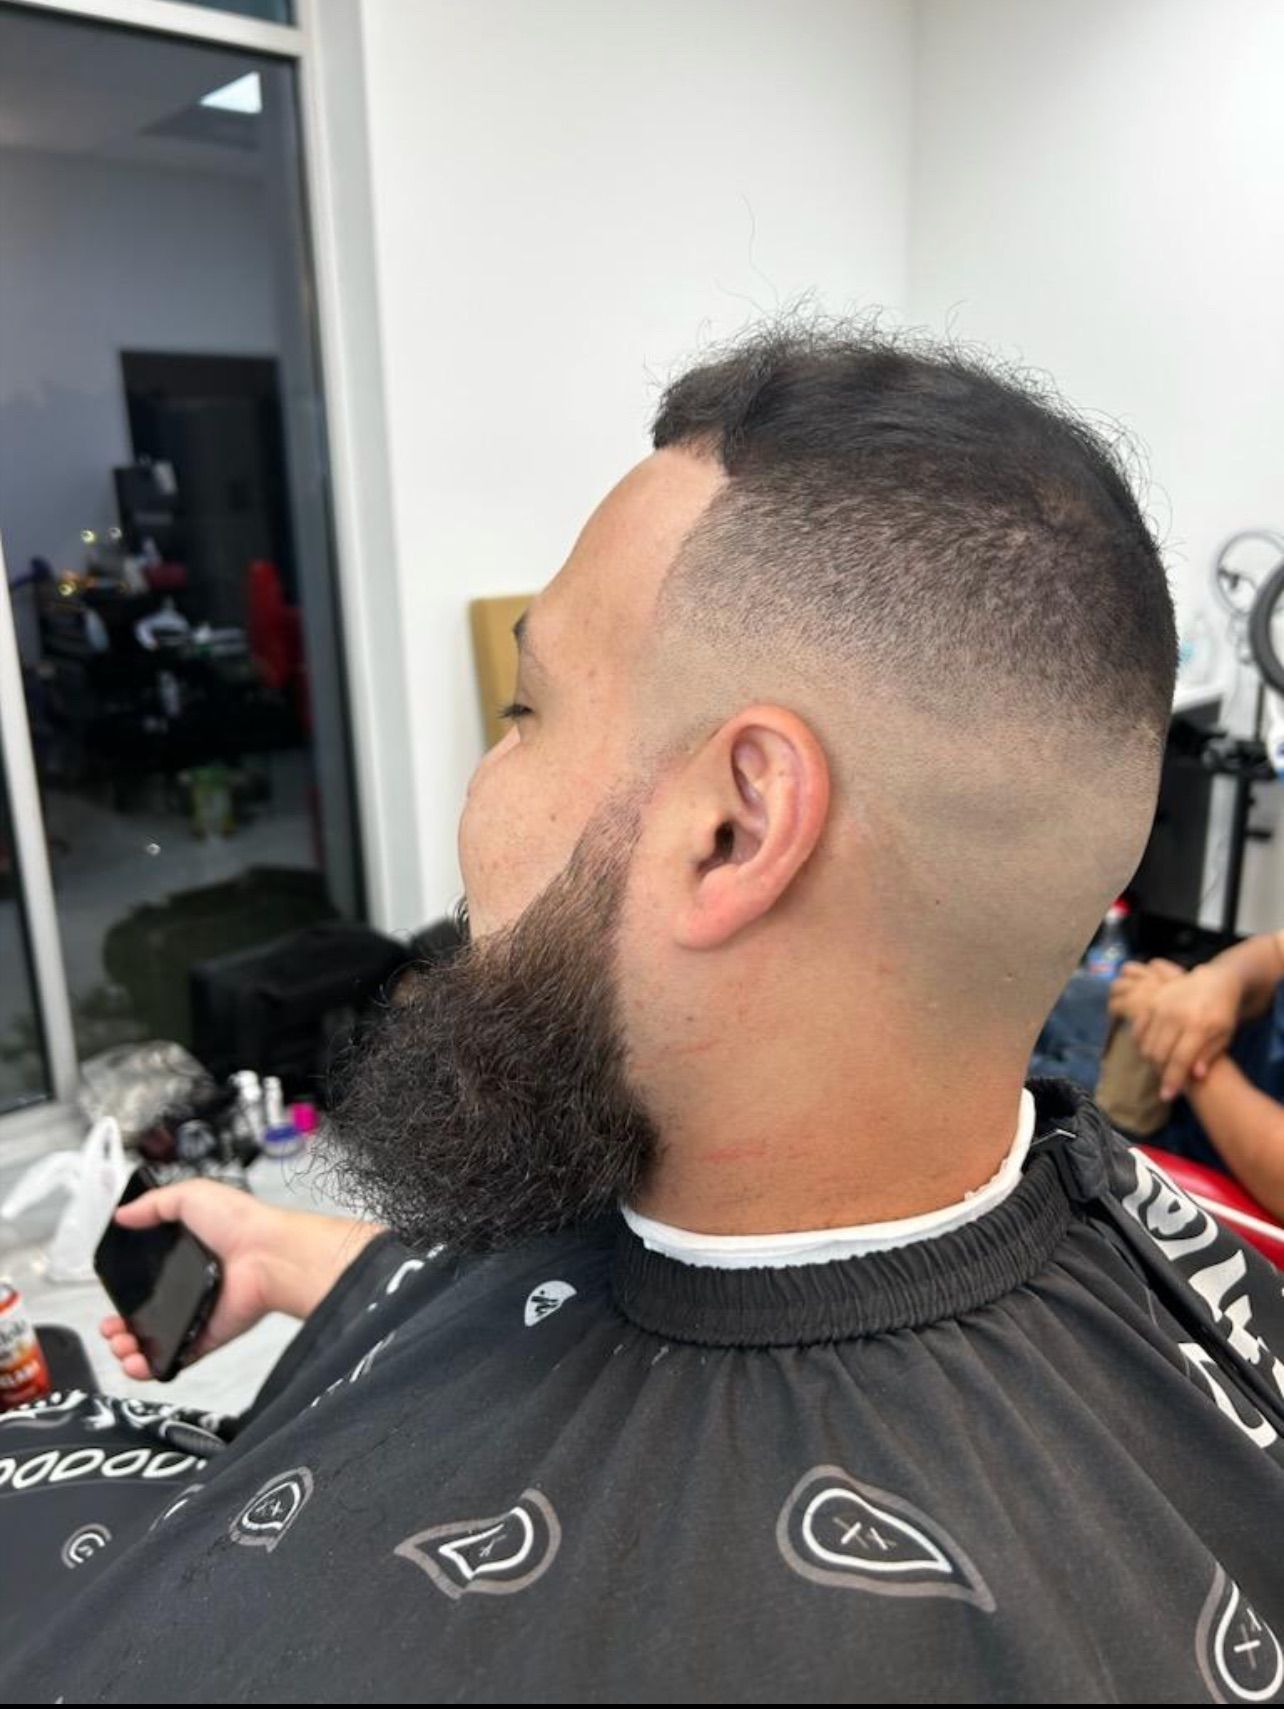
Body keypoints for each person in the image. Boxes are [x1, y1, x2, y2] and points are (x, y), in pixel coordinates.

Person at [4, 322, 1284, 1704]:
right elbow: (568, 1310)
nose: (480, 795)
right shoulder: (1142, 1283)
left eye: (523, 710)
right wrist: (292, 1246)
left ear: (733, 831)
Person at [1107, 931, 1284, 1218]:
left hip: (1208, 1174)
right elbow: (1276, 952)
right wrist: (1222, 980)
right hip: (1200, 1082)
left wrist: (1182, 1049)